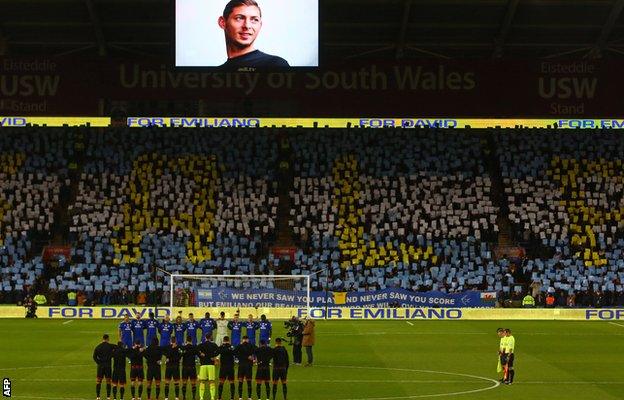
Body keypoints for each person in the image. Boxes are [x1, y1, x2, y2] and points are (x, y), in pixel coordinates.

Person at [218, 0, 289, 69]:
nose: (247, 26)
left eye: (255, 20)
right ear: (222, 22)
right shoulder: (215, 74)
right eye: (239, 18)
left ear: (260, 25)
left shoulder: (276, 65)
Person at [93, 334, 115, 400]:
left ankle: (98, 396)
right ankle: (108, 397)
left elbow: (94, 357)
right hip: (108, 366)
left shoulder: (98, 347)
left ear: (102, 339)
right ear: (108, 339)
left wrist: (98, 362)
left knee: (98, 381)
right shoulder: (111, 346)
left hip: (100, 366)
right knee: (108, 381)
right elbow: (117, 348)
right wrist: (112, 355)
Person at [197, 333, 219, 400]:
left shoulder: (201, 345)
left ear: (205, 338)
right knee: (212, 381)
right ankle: (212, 397)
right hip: (211, 365)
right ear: (210, 337)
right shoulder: (213, 345)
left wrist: (200, 354)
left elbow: (196, 350)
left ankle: (201, 397)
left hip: (203, 365)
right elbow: (218, 351)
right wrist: (214, 356)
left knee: (202, 382)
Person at [234, 335, 256, 400]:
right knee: (249, 382)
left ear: (243, 339)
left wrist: (239, 357)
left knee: (240, 382)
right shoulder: (251, 345)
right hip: (248, 366)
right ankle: (249, 397)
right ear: (248, 339)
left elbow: (234, 353)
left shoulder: (239, 346)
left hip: (241, 366)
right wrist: (253, 358)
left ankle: (240, 397)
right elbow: (257, 350)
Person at [216, 336, 236, 400]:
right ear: (229, 340)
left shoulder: (221, 347)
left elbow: (217, 352)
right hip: (230, 367)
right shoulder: (231, 347)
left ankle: (219, 397)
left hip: (223, 367)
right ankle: (232, 398)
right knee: (232, 382)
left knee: (221, 382)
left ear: (224, 340)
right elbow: (234, 353)